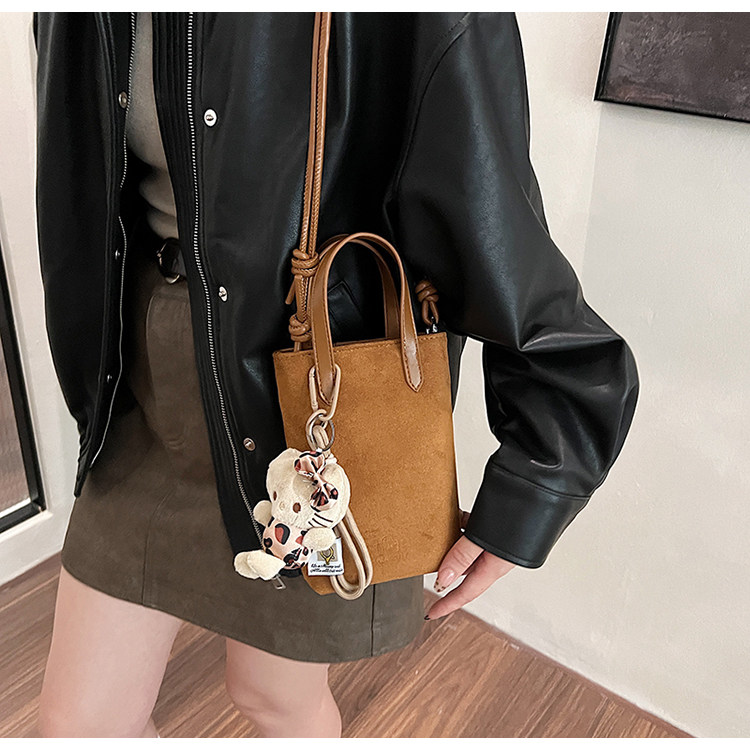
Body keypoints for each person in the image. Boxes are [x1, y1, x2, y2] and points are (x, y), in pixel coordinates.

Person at [31, 12, 639, 739]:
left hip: (311, 399)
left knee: (272, 697)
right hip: (141, 383)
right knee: (77, 724)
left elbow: (493, 215)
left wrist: (540, 470)